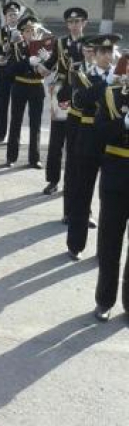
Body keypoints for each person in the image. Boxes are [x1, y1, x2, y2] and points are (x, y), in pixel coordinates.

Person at [65, 35, 119, 261]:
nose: (108, 56)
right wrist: (111, 83)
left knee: (110, 200)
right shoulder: (82, 75)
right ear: (94, 55)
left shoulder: (122, 79)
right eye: (103, 52)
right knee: (82, 192)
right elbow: (82, 99)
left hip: (113, 143)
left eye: (111, 51)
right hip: (87, 138)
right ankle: (75, 244)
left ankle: (104, 249)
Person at [92, 51, 129, 322]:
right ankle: (105, 300)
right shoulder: (111, 94)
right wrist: (124, 123)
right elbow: (99, 132)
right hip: (116, 178)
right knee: (109, 244)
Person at [42, 8, 88, 201]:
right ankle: (53, 180)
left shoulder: (90, 44)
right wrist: (41, 66)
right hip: (61, 94)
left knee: (76, 141)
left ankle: (73, 181)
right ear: (67, 24)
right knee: (56, 140)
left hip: (82, 96)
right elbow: (51, 63)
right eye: (71, 22)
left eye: (78, 21)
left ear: (84, 23)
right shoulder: (60, 42)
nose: (74, 25)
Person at [5, 15, 50, 168]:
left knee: (35, 124)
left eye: (34, 31)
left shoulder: (44, 50)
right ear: (22, 33)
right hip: (20, 86)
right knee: (16, 122)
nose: (31, 33)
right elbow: (9, 71)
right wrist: (27, 62)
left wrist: (47, 60)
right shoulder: (16, 48)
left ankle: (34, 158)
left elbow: (50, 71)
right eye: (28, 31)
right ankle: (11, 157)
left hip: (37, 87)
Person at [0, 1, 22, 144]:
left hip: (19, 74)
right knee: (2, 105)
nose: (12, 17)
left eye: (15, 14)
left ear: (18, 16)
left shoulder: (23, 32)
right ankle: (0, 134)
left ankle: (15, 137)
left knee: (17, 107)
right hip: (4, 73)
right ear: (5, 17)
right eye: (9, 15)